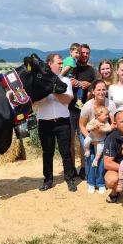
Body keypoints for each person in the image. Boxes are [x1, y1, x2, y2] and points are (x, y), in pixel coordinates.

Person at [36, 54, 77, 192]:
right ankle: (48, 180)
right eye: (59, 63)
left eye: (61, 63)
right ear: (49, 65)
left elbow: (67, 100)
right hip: (45, 123)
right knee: (47, 153)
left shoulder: (65, 81)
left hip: (62, 122)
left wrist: (53, 89)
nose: (61, 65)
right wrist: (45, 88)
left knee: (65, 152)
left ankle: (70, 179)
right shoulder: (39, 82)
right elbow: (34, 103)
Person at [79, 79, 116, 194]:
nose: (101, 92)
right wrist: (91, 140)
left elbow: (113, 125)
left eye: (103, 89)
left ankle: (100, 183)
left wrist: (104, 132)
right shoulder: (87, 106)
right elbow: (81, 125)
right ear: (93, 91)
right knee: (90, 157)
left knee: (100, 158)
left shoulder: (110, 104)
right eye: (98, 90)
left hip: (103, 134)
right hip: (88, 133)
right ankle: (91, 182)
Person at [70, 44, 97, 180]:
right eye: (82, 53)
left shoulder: (92, 70)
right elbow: (61, 79)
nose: (85, 55)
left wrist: (89, 85)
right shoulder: (71, 68)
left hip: (85, 111)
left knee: (83, 140)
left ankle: (82, 168)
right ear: (78, 53)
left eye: (87, 53)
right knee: (70, 140)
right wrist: (71, 82)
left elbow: (98, 86)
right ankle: (71, 168)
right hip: (69, 109)